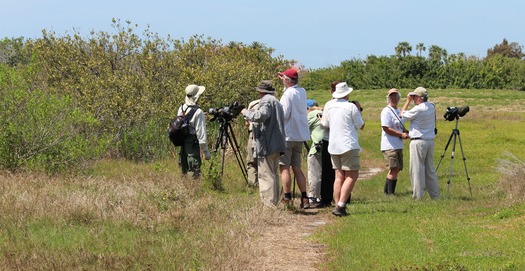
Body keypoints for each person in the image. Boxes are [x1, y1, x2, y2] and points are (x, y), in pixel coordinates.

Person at [321, 82, 365, 216]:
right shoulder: (351, 106)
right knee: (352, 175)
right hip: (348, 144)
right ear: (347, 93)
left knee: (339, 176)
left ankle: (336, 203)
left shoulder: (330, 105)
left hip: (333, 145)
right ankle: (341, 205)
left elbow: (325, 124)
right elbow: (360, 125)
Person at [241, 80, 286, 207]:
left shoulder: (266, 100)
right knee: (273, 174)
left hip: (267, 143)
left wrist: (246, 112)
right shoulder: (276, 101)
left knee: (265, 175)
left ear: (261, 91)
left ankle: (269, 204)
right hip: (276, 143)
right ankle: (274, 201)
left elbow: (261, 116)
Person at [278, 68, 311, 209]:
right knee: (297, 167)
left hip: (288, 134)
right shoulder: (302, 92)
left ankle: (287, 197)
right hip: (300, 135)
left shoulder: (287, 95)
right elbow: (291, 84)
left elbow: (284, 114)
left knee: (284, 167)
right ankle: (304, 198)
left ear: (287, 81)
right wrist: (285, 78)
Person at [400, 87, 440, 200]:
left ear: (418, 98)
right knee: (430, 170)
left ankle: (418, 196)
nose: (413, 99)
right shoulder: (432, 106)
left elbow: (402, 115)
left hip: (418, 141)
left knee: (417, 170)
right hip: (429, 141)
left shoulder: (418, 109)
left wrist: (407, 101)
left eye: (414, 97)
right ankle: (435, 196)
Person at [177, 84, 211, 178]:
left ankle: (185, 189)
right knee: (194, 169)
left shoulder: (182, 108)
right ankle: (194, 190)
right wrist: (206, 151)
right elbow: (201, 134)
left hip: (183, 144)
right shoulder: (198, 112)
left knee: (184, 168)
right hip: (192, 143)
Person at [380, 88, 410, 195]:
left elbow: (398, 125)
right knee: (394, 169)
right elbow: (386, 128)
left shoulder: (397, 111)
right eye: (391, 96)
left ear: (398, 98)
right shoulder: (386, 111)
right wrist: (401, 134)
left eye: (395, 96)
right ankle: (390, 194)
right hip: (389, 145)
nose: (393, 98)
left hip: (398, 145)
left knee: (396, 169)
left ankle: (387, 193)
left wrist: (404, 131)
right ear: (388, 98)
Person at [317, 81, 339, 208]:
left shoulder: (329, 104)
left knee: (327, 170)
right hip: (341, 140)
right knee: (342, 170)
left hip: (329, 138)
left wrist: (321, 120)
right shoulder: (348, 105)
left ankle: (326, 198)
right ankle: (343, 197)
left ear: (331, 92)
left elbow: (325, 124)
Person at [306, 99, 323, 205]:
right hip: (327, 146)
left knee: (314, 173)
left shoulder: (312, 114)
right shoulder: (323, 113)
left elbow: (303, 128)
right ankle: (322, 195)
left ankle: (313, 195)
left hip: (316, 148)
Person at [245, 98, 261, 186]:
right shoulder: (275, 103)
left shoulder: (253, 104)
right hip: (269, 136)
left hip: (253, 134)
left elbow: (247, 122)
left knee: (251, 162)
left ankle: (252, 184)